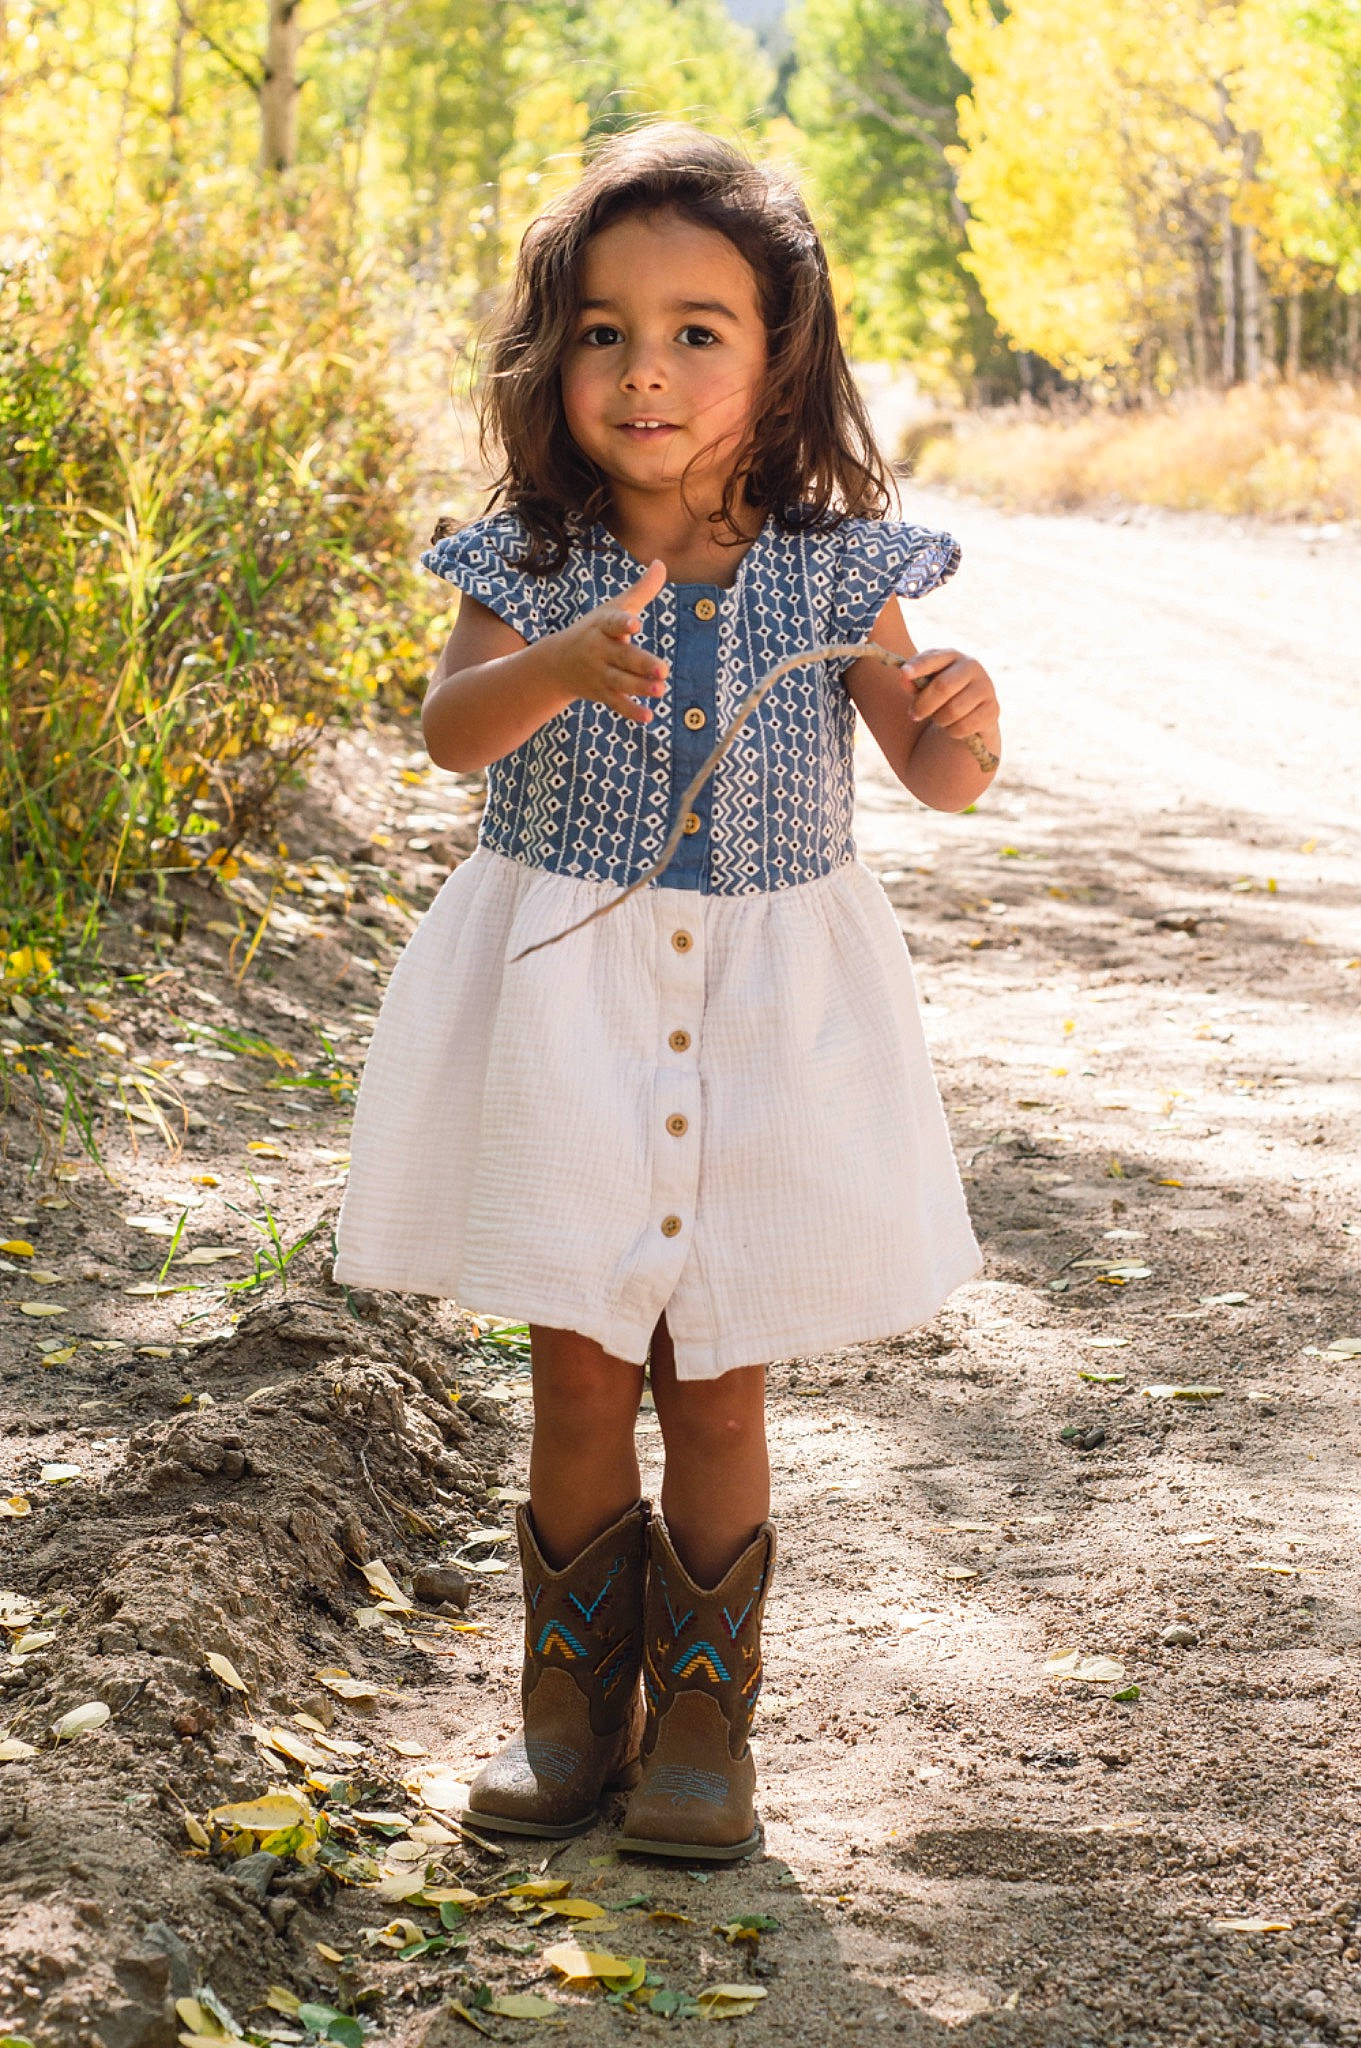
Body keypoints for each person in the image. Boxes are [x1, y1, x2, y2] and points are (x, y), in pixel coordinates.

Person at [333, 123, 999, 1863]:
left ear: (779, 362)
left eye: (697, 330)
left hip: (764, 1027)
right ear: (550, 365)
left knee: (715, 1384)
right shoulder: (527, 566)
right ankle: (568, 1717)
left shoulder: (836, 570)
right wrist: (556, 665)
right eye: (603, 333)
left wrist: (962, 725)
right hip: (569, 1015)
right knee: (574, 1370)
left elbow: (935, 775)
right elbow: (450, 736)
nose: (645, 368)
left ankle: (702, 1732)